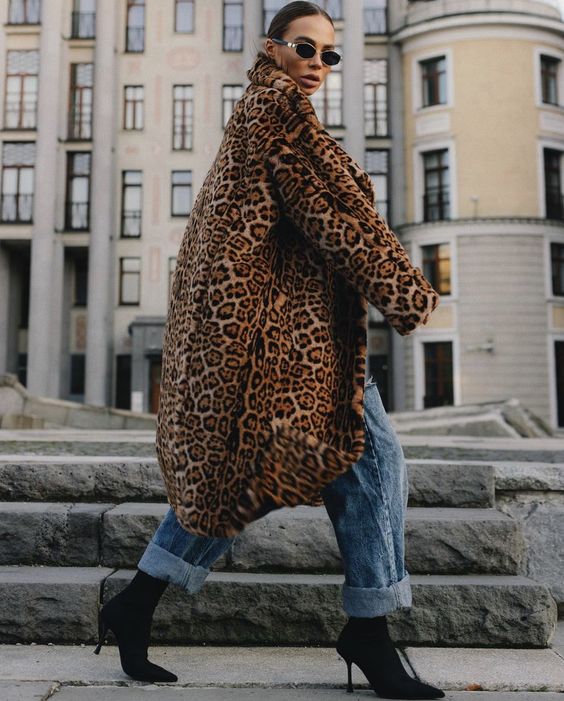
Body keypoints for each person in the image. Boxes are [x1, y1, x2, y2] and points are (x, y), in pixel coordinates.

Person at [94, 3, 444, 698]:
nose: (317, 62)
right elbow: (333, 220)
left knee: (236, 485)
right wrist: (410, 293)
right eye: (305, 48)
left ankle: (134, 604)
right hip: (286, 350)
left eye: (329, 55)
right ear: (272, 48)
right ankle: (369, 629)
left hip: (285, 342)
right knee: (367, 461)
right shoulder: (277, 116)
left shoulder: (268, 110)